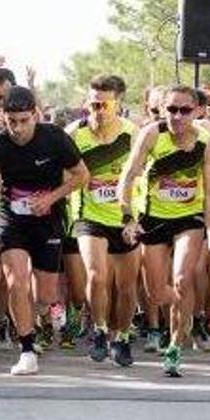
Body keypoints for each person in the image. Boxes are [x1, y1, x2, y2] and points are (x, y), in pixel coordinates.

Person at [0, 86, 89, 375]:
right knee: (16, 281)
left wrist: (51, 197)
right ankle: (26, 349)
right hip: (12, 217)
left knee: (45, 295)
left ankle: (34, 318)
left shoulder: (54, 138)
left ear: (35, 114)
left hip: (48, 218)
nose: (19, 128)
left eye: (25, 120)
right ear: (3, 117)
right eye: (13, 121)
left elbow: (82, 175)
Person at [118, 85, 210, 377]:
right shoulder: (152, 134)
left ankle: (176, 346)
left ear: (197, 111)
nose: (177, 116)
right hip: (153, 218)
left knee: (181, 278)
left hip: (189, 217)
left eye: (185, 110)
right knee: (156, 293)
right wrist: (127, 217)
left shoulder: (207, 143)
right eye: (171, 110)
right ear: (163, 110)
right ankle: (186, 310)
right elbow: (127, 177)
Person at [67, 75, 140, 367]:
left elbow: (142, 176)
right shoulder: (75, 134)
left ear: (117, 104)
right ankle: (98, 330)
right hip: (90, 216)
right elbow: (65, 175)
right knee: (96, 276)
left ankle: (121, 336)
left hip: (124, 218)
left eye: (104, 104)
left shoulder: (133, 134)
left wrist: (133, 217)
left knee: (126, 286)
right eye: (93, 104)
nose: (97, 110)